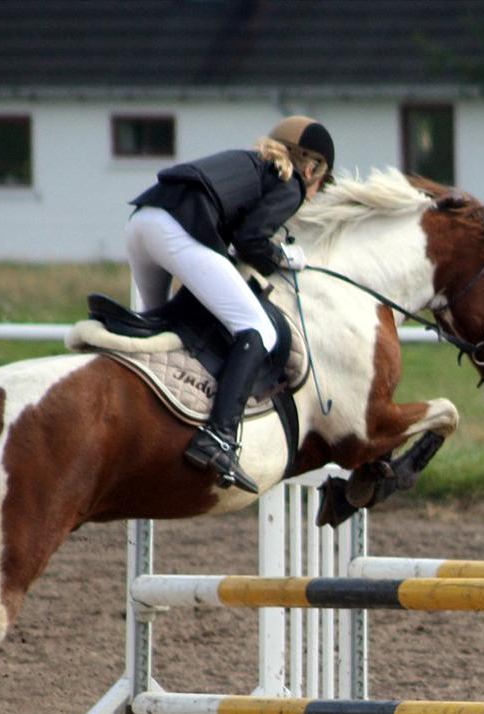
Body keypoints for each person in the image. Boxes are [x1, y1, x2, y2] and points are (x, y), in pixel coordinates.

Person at [125, 116, 335, 494]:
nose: (316, 192)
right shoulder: (291, 183)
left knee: (155, 330)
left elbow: (237, 239)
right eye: (321, 181)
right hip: (175, 231)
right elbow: (252, 240)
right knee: (259, 330)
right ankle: (219, 437)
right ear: (312, 166)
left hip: (142, 223)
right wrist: (283, 257)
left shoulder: (253, 164)